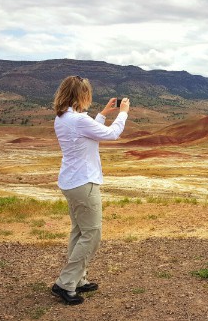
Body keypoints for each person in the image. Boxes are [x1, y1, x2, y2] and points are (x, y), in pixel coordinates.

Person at [50, 75, 130, 305]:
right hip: (84, 183)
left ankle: (78, 280)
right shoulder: (77, 120)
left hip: (71, 182)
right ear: (80, 96)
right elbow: (111, 134)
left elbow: (89, 130)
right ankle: (65, 284)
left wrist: (103, 114)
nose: (89, 98)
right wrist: (123, 112)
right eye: (87, 94)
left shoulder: (64, 117)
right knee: (92, 234)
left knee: (79, 232)